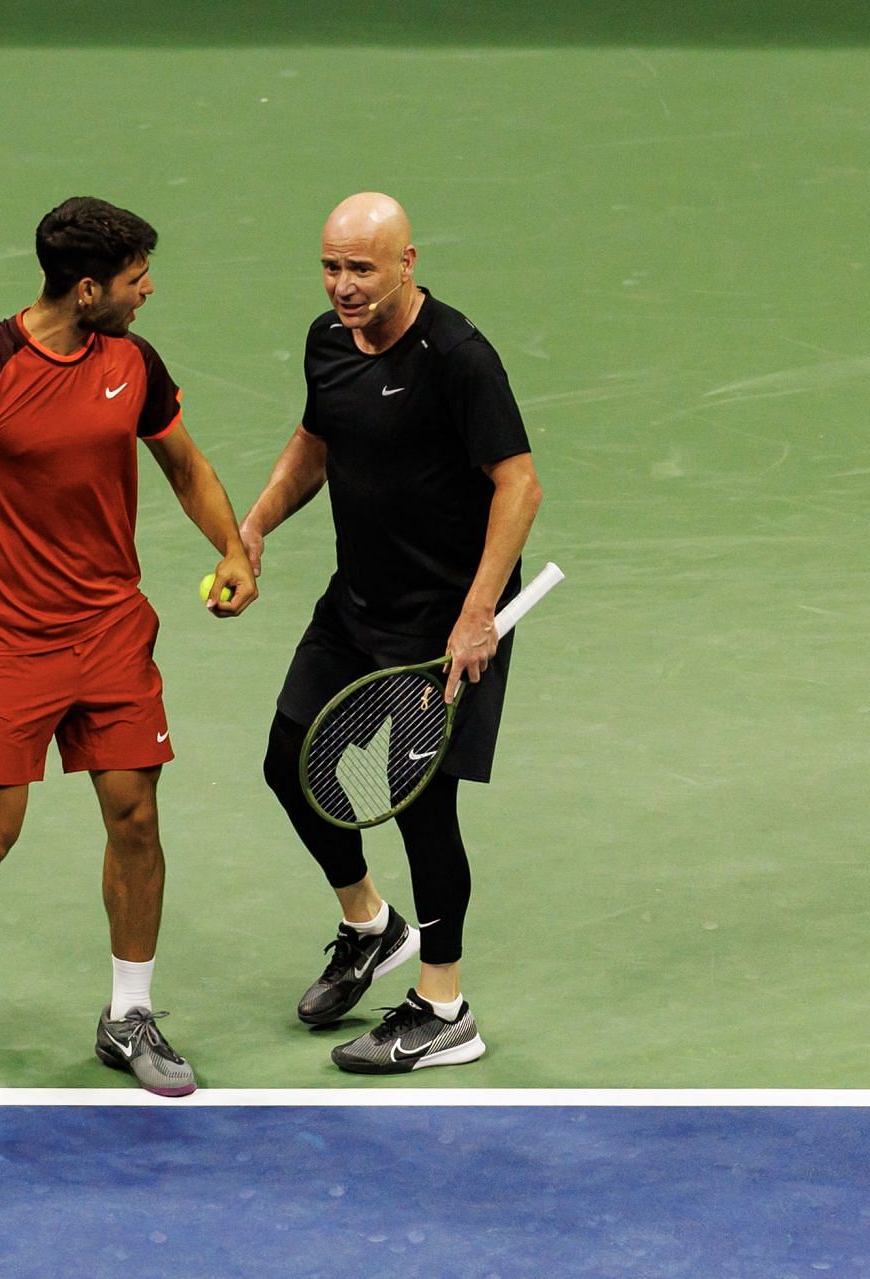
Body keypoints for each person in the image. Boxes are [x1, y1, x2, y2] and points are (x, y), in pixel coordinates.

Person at [0, 197, 256, 1097]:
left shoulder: (131, 362)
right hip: (8, 645)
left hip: (112, 631)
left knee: (136, 817)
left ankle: (128, 1015)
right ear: (86, 290)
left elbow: (182, 463)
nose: (148, 290)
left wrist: (231, 546)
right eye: (134, 279)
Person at [238, 192, 542, 1074]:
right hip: (357, 600)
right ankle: (371, 924)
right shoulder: (327, 342)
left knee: (421, 802)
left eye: (362, 269)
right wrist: (254, 528)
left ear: (408, 262)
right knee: (288, 761)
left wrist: (479, 611)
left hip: (445, 620)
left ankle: (443, 1006)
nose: (344, 286)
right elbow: (315, 440)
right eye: (332, 267)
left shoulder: (458, 357)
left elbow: (519, 486)